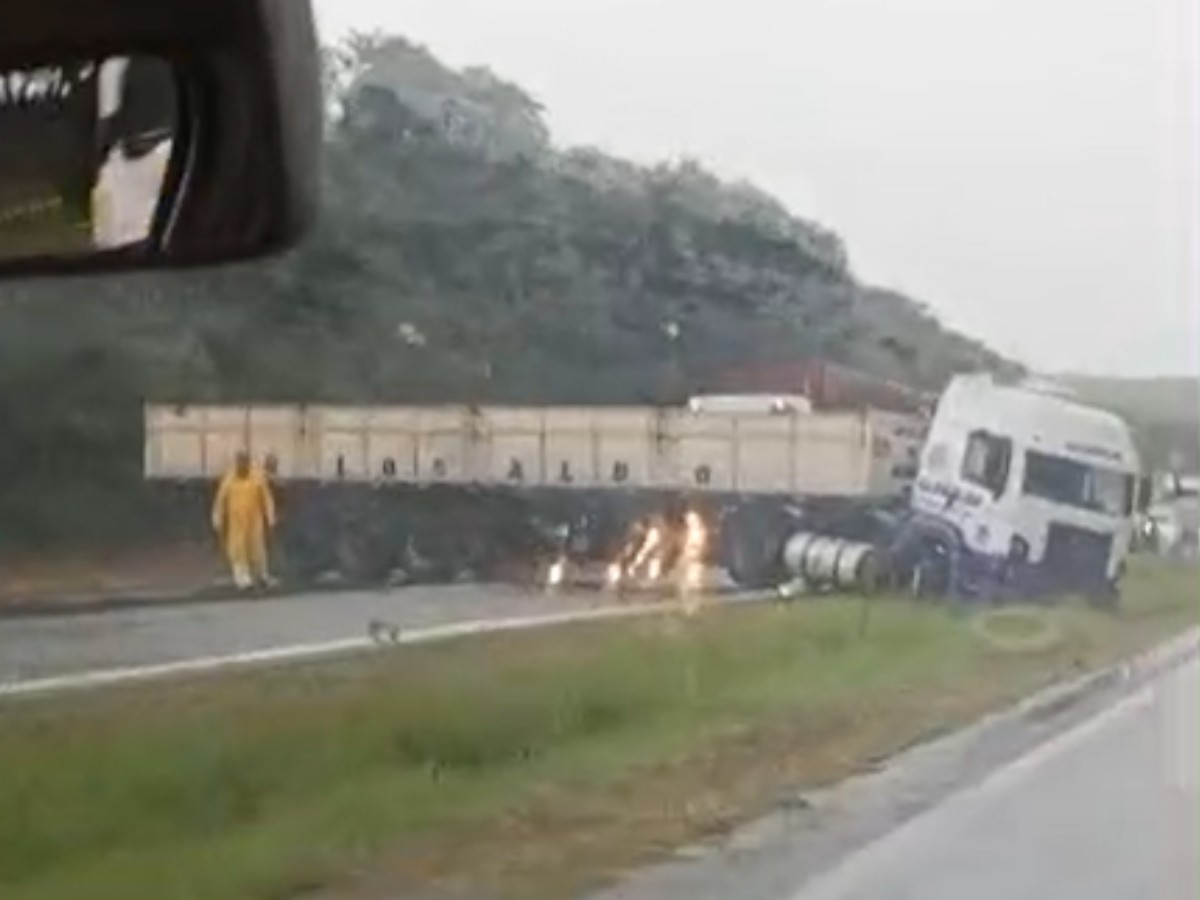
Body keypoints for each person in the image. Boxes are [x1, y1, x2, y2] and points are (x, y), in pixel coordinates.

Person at [211, 450, 277, 590]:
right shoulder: (229, 480)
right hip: (236, 523)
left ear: (248, 463)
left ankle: (262, 575)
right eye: (240, 462)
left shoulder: (257, 478)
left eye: (245, 462)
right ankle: (242, 579)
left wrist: (270, 518)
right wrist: (217, 519)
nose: (242, 465)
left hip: (255, 521)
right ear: (236, 463)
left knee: (258, 549)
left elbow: (267, 499)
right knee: (238, 550)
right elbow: (220, 501)